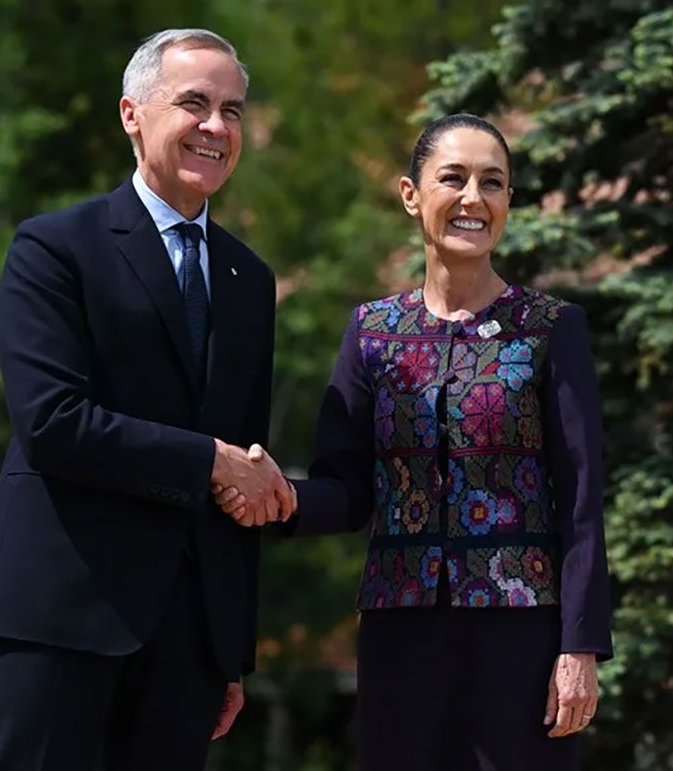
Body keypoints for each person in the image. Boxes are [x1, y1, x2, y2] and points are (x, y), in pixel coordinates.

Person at [216, 113, 613, 770]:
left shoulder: (550, 329)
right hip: (401, 630)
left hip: (522, 634)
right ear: (411, 194)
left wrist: (581, 648)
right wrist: (279, 496)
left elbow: (580, 501)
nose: (472, 199)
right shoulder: (372, 332)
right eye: (452, 178)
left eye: (493, 183)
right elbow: (346, 490)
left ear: (508, 201)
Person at [0, 28, 294, 771]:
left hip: (184, 649)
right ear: (132, 114)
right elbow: (52, 423)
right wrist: (207, 460)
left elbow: (241, 466)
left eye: (233, 111)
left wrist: (229, 650)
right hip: (56, 619)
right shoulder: (54, 247)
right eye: (194, 104)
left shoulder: (249, 280)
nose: (217, 127)